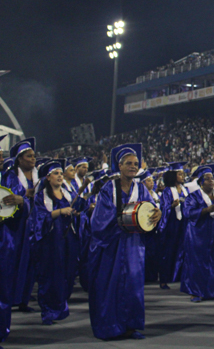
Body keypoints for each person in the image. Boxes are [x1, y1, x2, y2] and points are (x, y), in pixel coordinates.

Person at [88, 143, 162, 340]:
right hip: (112, 245)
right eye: (128, 163)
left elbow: (151, 209)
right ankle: (109, 327)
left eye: (136, 163)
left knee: (133, 286)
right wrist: (123, 220)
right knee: (109, 285)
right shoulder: (108, 189)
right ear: (119, 166)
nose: (133, 166)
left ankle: (130, 326)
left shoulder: (141, 189)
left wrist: (157, 213)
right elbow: (99, 220)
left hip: (133, 246)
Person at [30, 160, 79, 325]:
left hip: (67, 239)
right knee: (50, 274)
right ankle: (48, 311)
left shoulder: (68, 194)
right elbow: (39, 218)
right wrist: (59, 212)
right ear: (48, 177)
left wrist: (77, 213)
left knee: (68, 273)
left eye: (60, 173)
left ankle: (60, 307)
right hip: (51, 241)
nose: (59, 176)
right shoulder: (41, 196)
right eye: (56, 173)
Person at [0, 138, 37, 342]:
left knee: (3, 287)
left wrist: (21, 201)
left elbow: (11, 206)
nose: (0, 157)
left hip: (7, 237)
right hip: (9, 236)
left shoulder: (8, 178)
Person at [180, 164, 214, 302]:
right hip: (198, 233)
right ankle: (196, 292)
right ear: (200, 182)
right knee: (197, 263)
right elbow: (187, 212)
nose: (211, 181)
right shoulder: (194, 197)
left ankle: (210, 291)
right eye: (207, 179)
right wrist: (206, 210)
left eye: (212, 178)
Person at [158, 162, 188, 289]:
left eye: (182, 174)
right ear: (173, 176)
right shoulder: (167, 191)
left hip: (184, 224)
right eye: (179, 174)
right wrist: (172, 206)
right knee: (168, 251)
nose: (182, 176)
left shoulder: (185, 190)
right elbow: (163, 208)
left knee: (183, 250)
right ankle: (164, 279)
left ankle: (180, 277)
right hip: (171, 224)